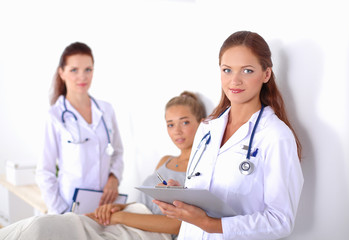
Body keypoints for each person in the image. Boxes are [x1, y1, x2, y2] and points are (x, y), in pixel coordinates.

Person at [154, 31, 304, 240]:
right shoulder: (207, 128)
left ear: (266, 74)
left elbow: (281, 221)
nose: (235, 80)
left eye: (247, 71)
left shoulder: (276, 136)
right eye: (227, 70)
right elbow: (205, 193)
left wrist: (210, 224)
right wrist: (181, 197)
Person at [0, 91, 207, 240]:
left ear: (202, 123)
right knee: (45, 225)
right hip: (129, 216)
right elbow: (144, 203)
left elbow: (179, 225)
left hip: (148, 232)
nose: (177, 131)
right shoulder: (165, 161)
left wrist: (121, 216)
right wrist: (118, 207)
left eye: (185, 122)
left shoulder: (201, 169)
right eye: (170, 124)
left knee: (46, 232)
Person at [36, 42, 124, 214]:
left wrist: (114, 177)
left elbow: (118, 152)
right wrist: (61, 212)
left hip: (104, 206)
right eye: (74, 70)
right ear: (61, 72)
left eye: (88, 70)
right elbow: (44, 172)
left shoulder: (106, 110)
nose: (82, 77)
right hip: (69, 206)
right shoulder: (55, 116)